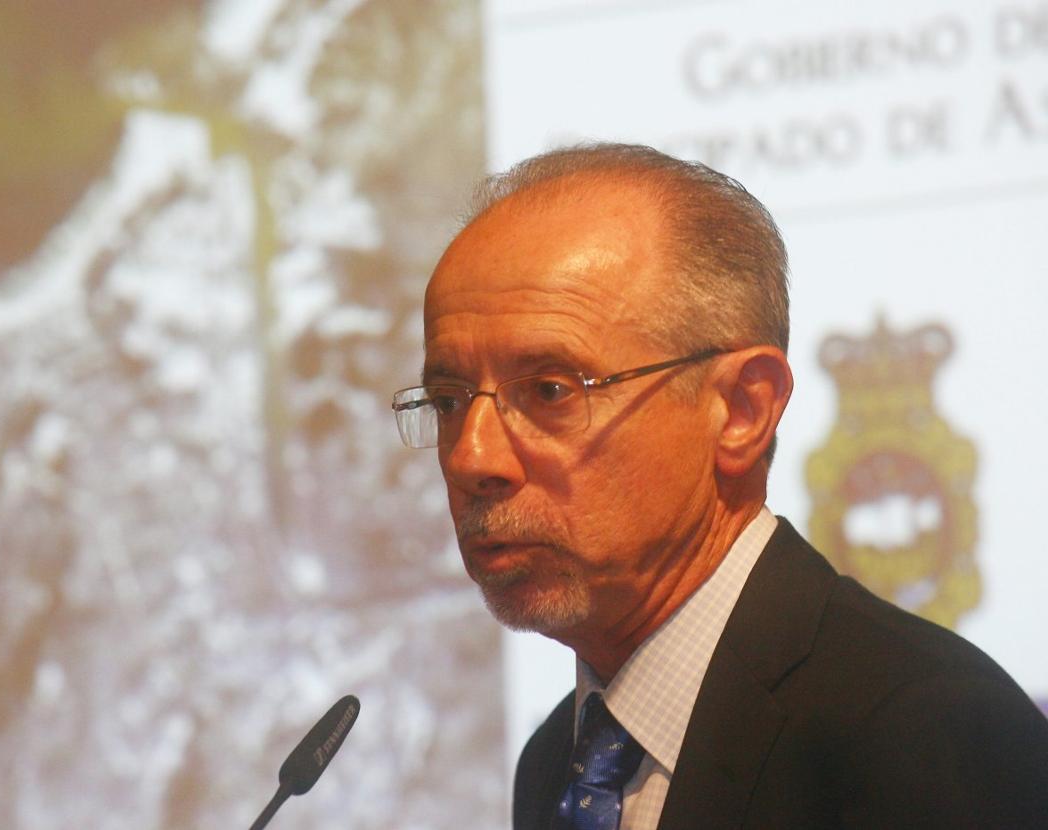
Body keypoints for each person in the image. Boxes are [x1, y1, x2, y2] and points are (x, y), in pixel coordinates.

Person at [391, 143, 1048, 828]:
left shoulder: (920, 730)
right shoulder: (558, 759)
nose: (472, 457)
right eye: (447, 400)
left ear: (742, 411)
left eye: (552, 390)